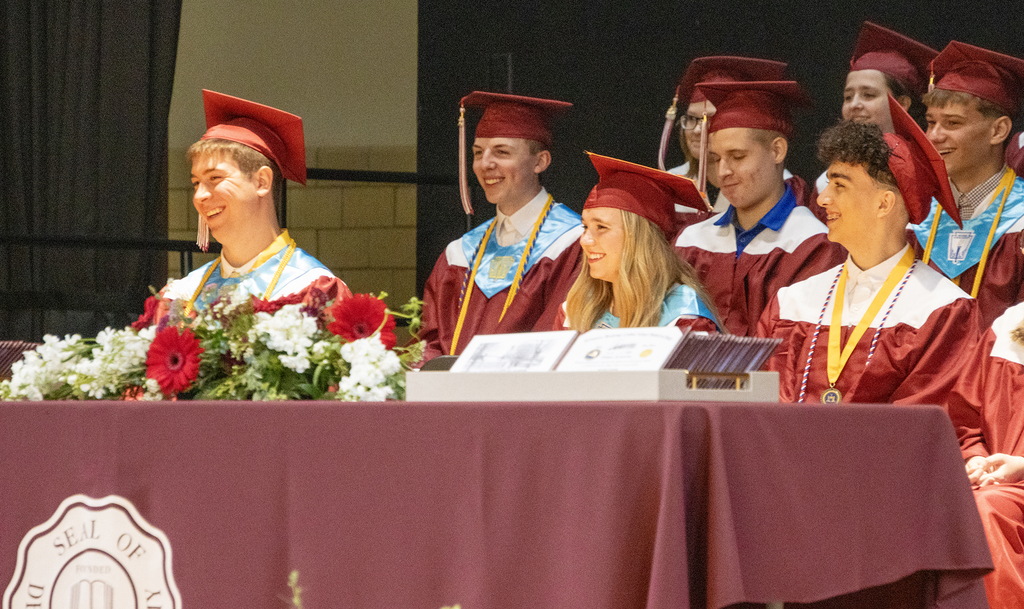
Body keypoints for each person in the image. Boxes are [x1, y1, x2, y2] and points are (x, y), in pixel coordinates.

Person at [759, 97, 980, 405]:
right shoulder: (792, 303)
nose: (822, 199)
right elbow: (763, 412)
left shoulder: (940, 309)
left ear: (884, 203)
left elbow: (924, 426)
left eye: (840, 185)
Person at [419, 92, 583, 361]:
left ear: (540, 162)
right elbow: (430, 342)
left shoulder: (573, 242)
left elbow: (562, 335)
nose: (485, 164)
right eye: (477, 153)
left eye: (502, 152)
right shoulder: (460, 253)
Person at [674, 80, 846, 336]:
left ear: (777, 150)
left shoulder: (814, 245)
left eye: (738, 156)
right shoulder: (692, 241)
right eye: (716, 158)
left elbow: (802, 344)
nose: (723, 172)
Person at [161, 90, 350, 313]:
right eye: (196, 182)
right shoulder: (183, 296)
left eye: (215, 178)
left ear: (261, 181)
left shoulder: (313, 290)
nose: (200, 196)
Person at [909, 41, 1024, 329]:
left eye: (952, 123)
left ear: (998, 131)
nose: (933, 137)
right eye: (930, 122)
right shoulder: (913, 217)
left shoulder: (1019, 221)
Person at [556, 153, 719, 332]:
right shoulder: (574, 311)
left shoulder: (683, 318)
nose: (585, 240)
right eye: (585, 227)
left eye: (601, 227)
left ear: (641, 238)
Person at [945, 298, 1024, 608]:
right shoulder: (1010, 325)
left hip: (1005, 495)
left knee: (985, 510)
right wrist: (976, 459)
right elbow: (966, 417)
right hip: (1001, 485)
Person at [813, 22, 938, 204]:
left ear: (902, 104)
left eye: (868, 95)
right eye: (848, 97)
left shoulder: (926, 176)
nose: (854, 105)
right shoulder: (826, 182)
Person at [658, 56, 790, 224]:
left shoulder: (776, 187)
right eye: (692, 119)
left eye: (709, 119)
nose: (698, 130)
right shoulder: (672, 182)